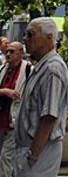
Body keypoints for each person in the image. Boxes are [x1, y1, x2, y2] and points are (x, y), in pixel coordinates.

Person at [14, 17, 68, 177]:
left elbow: (49, 116)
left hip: (41, 151)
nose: (25, 39)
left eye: (31, 35)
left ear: (49, 37)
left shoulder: (52, 69)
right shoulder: (42, 66)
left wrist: (33, 155)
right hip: (31, 149)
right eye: (25, 34)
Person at [0, 42, 31, 177]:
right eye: (7, 51)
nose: (8, 54)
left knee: (6, 156)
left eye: (12, 52)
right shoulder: (2, 69)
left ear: (21, 53)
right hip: (1, 119)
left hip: (16, 119)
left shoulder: (28, 70)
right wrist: (5, 91)